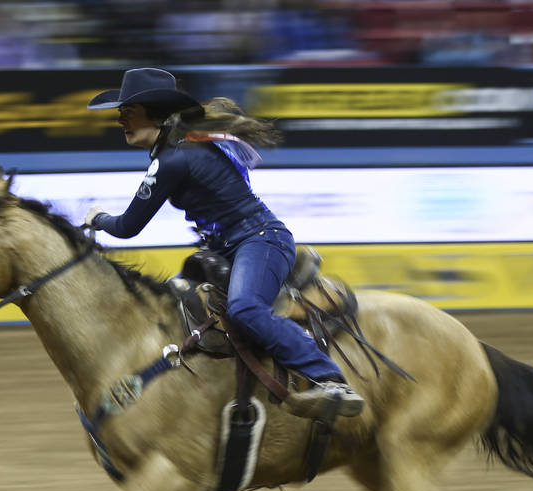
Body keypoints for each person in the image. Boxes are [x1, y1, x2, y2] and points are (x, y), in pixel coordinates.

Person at [83, 67, 363, 418]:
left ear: (153, 111)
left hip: (259, 241)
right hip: (239, 245)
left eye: (128, 112)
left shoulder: (173, 159)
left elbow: (127, 226)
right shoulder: (183, 150)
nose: (120, 120)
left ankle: (329, 378)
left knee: (245, 309)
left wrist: (97, 218)